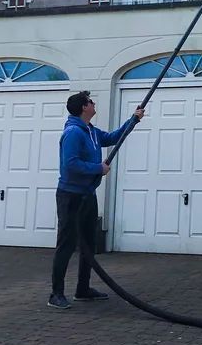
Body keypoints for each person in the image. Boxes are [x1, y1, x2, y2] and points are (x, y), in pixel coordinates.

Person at [48, 91, 145, 310]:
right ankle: (56, 294)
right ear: (84, 107)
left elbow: (112, 138)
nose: (93, 104)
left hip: (88, 195)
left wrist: (133, 120)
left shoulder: (90, 131)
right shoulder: (73, 133)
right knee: (67, 244)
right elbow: (70, 164)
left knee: (89, 243)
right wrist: (97, 168)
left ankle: (83, 289)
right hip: (71, 196)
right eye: (90, 102)